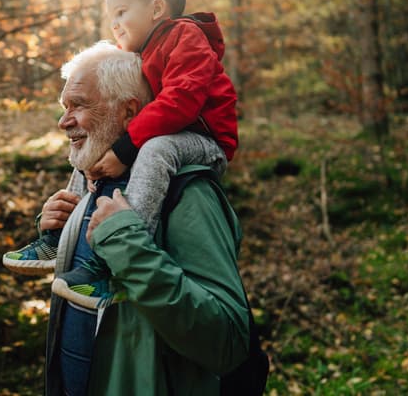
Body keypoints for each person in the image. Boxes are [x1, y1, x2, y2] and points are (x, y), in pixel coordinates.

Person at [4, 0, 239, 309]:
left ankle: (120, 254)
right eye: (111, 16)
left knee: (155, 149)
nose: (114, 24)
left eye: (121, 12)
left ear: (157, 8)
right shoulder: (145, 50)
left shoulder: (185, 37)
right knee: (92, 145)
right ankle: (56, 237)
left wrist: (127, 147)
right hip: (170, 132)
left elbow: (182, 99)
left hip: (205, 140)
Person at [40, 42, 250, 395]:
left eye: (79, 106)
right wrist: (56, 234)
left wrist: (127, 245)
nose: (63, 122)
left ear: (129, 112)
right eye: (64, 108)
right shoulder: (91, 184)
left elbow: (227, 341)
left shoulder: (187, 194)